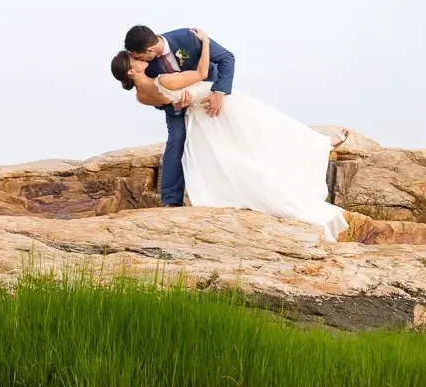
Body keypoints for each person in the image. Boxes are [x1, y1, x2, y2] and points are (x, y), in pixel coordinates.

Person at [111, 25, 349, 241]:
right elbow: (162, 93)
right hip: (185, 105)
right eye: (133, 58)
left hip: (212, 94)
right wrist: (173, 103)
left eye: (137, 55)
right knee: (177, 143)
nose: (135, 58)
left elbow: (226, 58)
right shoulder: (149, 67)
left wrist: (219, 91)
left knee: (253, 126)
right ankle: (171, 201)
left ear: (150, 49)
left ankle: (313, 147)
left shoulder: (185, 38)